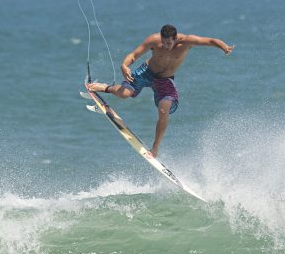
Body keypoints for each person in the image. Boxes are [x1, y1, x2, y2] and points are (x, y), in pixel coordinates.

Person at [88, 24, 233, 158]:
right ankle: (105, 87)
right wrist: (124, 66)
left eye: (169, 43)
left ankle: (155, 148)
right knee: (124, 94)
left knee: (164, 111)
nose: (165, 46)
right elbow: (133, 55)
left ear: (176, 39)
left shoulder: (187, 42)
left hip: (165, 80)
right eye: (163, 42)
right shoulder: (154, 40)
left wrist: (224, 47)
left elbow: (211, 41)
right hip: (146, 72)